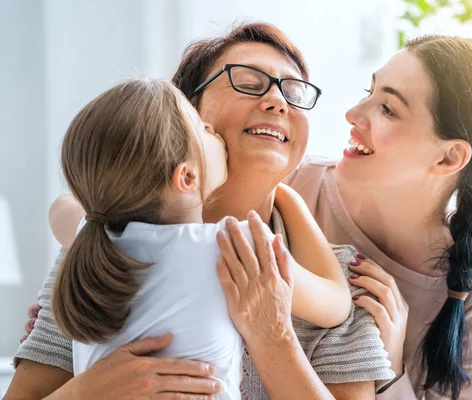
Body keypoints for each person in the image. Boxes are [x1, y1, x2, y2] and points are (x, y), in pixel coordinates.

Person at [6, 23, 394, 400]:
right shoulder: (101, 251)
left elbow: (66, 211)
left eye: (294, 91)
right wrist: (85, 393)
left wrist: (273, 338)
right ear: (187, 116)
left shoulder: (346, 276)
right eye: (248, 81)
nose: (278, 101)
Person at [45, 77, 355, 399]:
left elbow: (58, 210)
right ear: (187, 176)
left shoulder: (95, 240)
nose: (212, 129)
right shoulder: (233, 244)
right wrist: (287, 198)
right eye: (202, 128)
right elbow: (335, 303)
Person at [285, 34, 472, 399]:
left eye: (389, 109)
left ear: (448, 158)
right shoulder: (294, 185)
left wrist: (391, 372)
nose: (352, 114)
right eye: (370, 91)